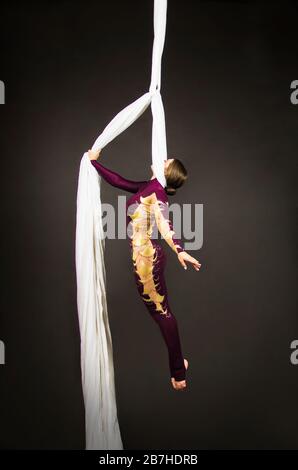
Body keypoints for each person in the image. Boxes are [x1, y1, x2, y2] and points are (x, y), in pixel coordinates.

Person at [88, 148, 201, 391]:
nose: (162, 158)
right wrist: (94, 164)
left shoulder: (157, 194)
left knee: (162, 314)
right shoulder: (148, 187)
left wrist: (180, 249)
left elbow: (164, 223)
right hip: (145, 258)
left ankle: (179, 371)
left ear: (167, 172)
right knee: (160, 314)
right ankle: (179, 366)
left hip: (147, 259)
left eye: (166, 160)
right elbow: (119, 181)